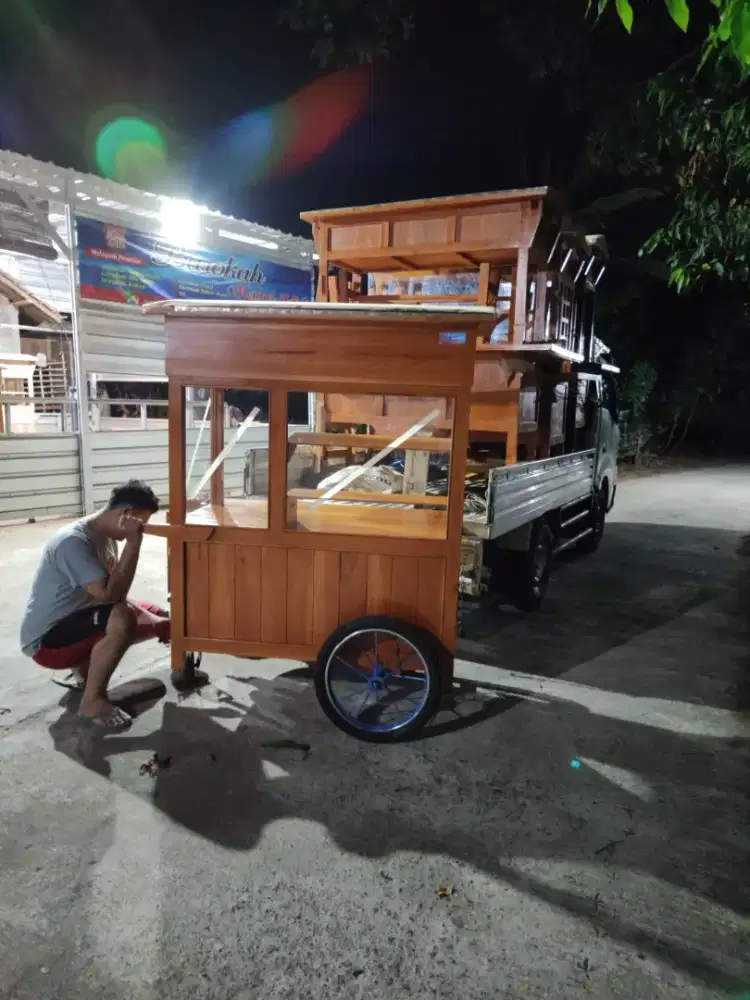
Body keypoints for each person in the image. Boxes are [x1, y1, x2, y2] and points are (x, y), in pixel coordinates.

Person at [20, 480, 170, 729]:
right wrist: (134, 542)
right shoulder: (73, 542)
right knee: (121, 618)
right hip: (46, 643)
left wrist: (155, 621)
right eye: (141, 523)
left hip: (73, 619)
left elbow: (113, 596)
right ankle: (92, 702)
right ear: (127, 514)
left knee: (155, 615)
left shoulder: (105, 537)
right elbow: (113, 598)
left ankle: (83, 671)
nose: (142, 529)